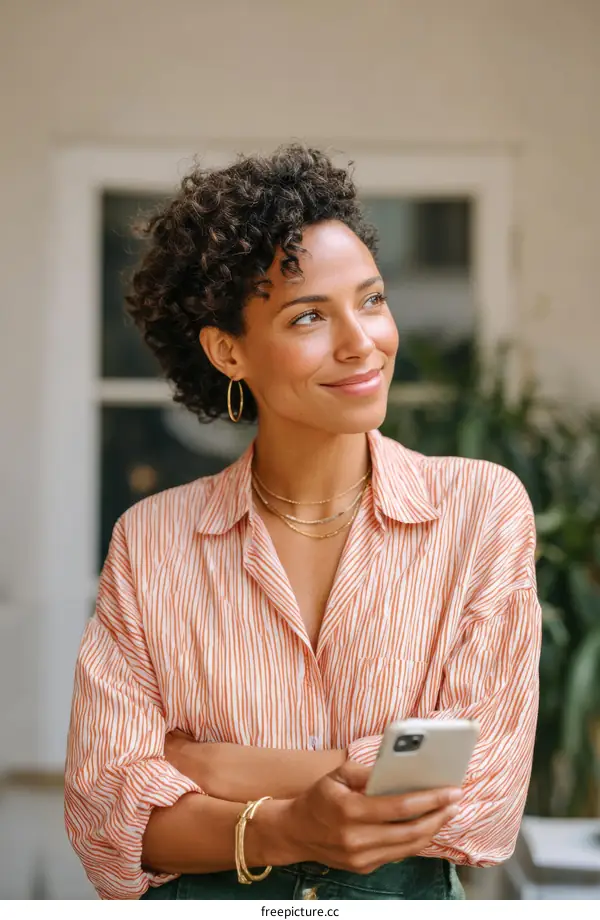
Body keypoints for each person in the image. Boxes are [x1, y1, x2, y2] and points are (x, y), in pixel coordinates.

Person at [64, 144, 541, 901]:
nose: (362, 342)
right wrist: (287, 826)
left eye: (373, 299)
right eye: (310, 315)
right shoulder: (152, 541)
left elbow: (480, 801)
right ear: (228, 350)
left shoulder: (481, 512)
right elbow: (106, 817)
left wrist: (213, 767)